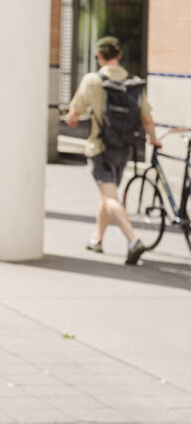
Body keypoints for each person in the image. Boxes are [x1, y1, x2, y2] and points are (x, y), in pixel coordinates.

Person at [65, 36, 161, 265]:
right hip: (124, 148)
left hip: (100, 147)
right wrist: (155, 140)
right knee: (108, 194)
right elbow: (147, 118)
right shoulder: (133, 83)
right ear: (119, 55)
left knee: (109, 196)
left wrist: (71, 118)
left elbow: (73, 116)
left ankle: (133, 240)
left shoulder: (92, 80)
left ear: (99, 56)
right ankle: (97, 239)